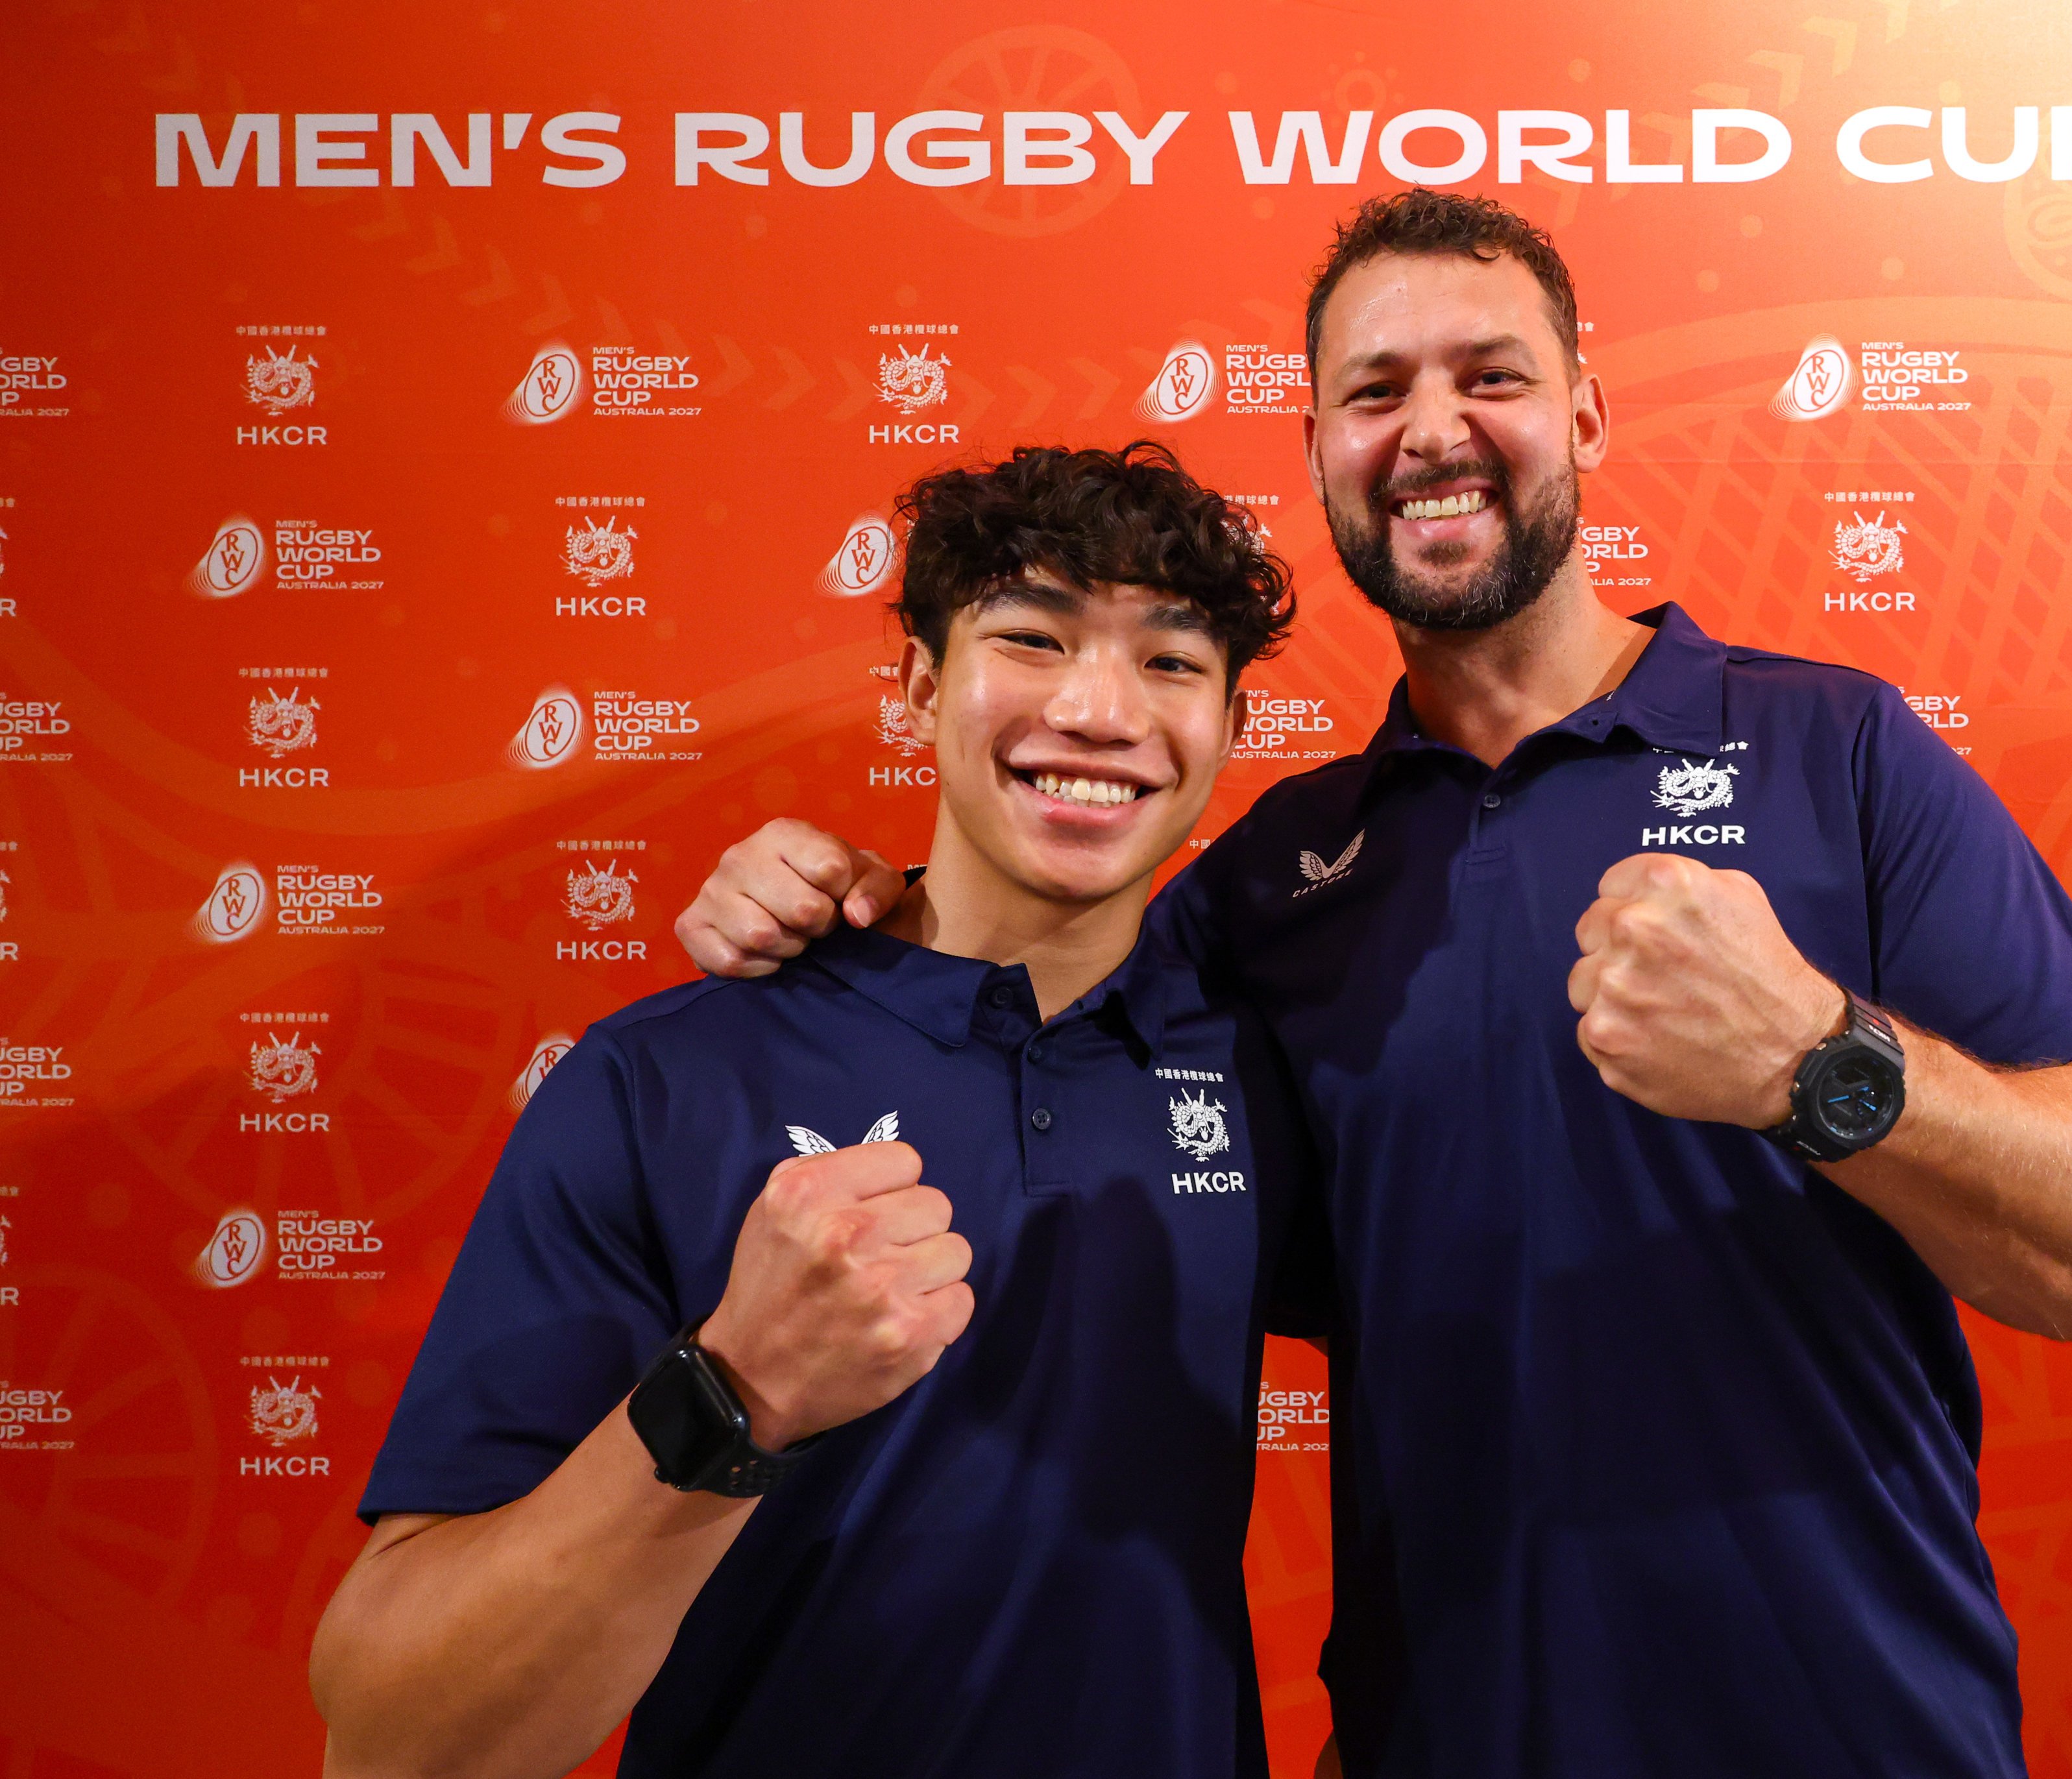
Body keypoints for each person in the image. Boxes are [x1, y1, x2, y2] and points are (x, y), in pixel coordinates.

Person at [676, 191, 2072, 1778]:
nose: (1431, 430)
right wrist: (850, 900)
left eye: (1489, 376)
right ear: (1324, 447)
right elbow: (1024, 1033)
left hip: (1856, 1728)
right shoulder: (1271, 877)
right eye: (1373, 391)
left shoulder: (1838, 751)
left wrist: (1817, 1057)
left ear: (1584, 415)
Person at [310, 442, 1322, 1779]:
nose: (1095, 708)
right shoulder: (663, 1078)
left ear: (1232, 733)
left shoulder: (1278, 1066)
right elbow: (392, 1741)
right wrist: (734, 1390)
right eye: (1030, 637)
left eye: (1171, 661)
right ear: (916, 685)